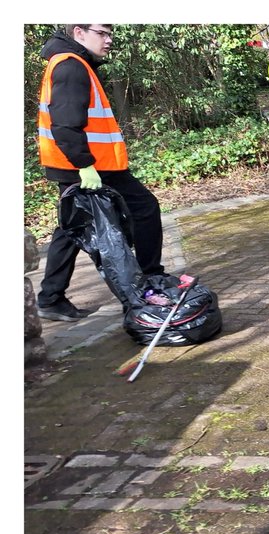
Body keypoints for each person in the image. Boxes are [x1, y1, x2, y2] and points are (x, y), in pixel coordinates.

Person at [35, 23, 166, 321]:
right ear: (79, 32)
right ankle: (151, 277)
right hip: (89, 166)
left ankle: (50, 297)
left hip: (78, 163)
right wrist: (85, 165)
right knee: (145, 208)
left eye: (110, 34)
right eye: (102, 33)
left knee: (70, 229)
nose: (109, 40)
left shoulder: (70, 62)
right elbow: (64, 124)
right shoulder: (71, 67)